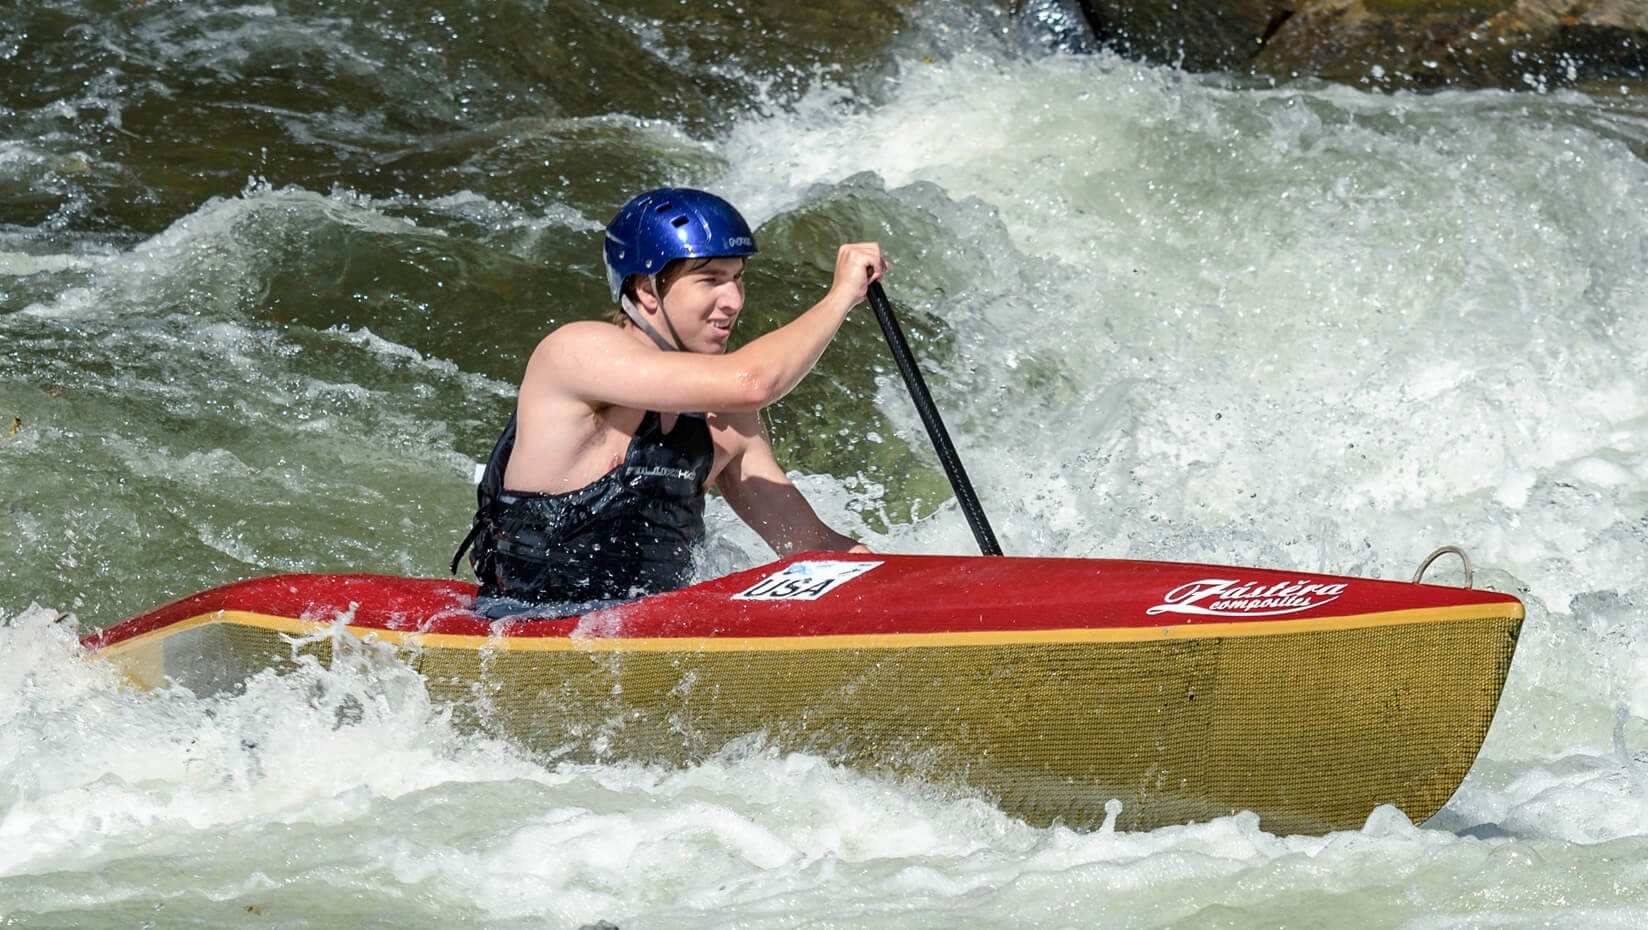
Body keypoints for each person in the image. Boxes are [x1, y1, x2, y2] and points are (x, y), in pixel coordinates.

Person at [453, 187, 885, 617]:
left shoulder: (727, 420)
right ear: (645, 290)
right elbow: (754, 381)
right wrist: (840, 297)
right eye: (711, 280)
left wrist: (909, 587)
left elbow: (812, 547)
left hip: (649, 640)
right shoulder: (576, 353)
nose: (733, 301)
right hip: (520, 626)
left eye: (737, 278)